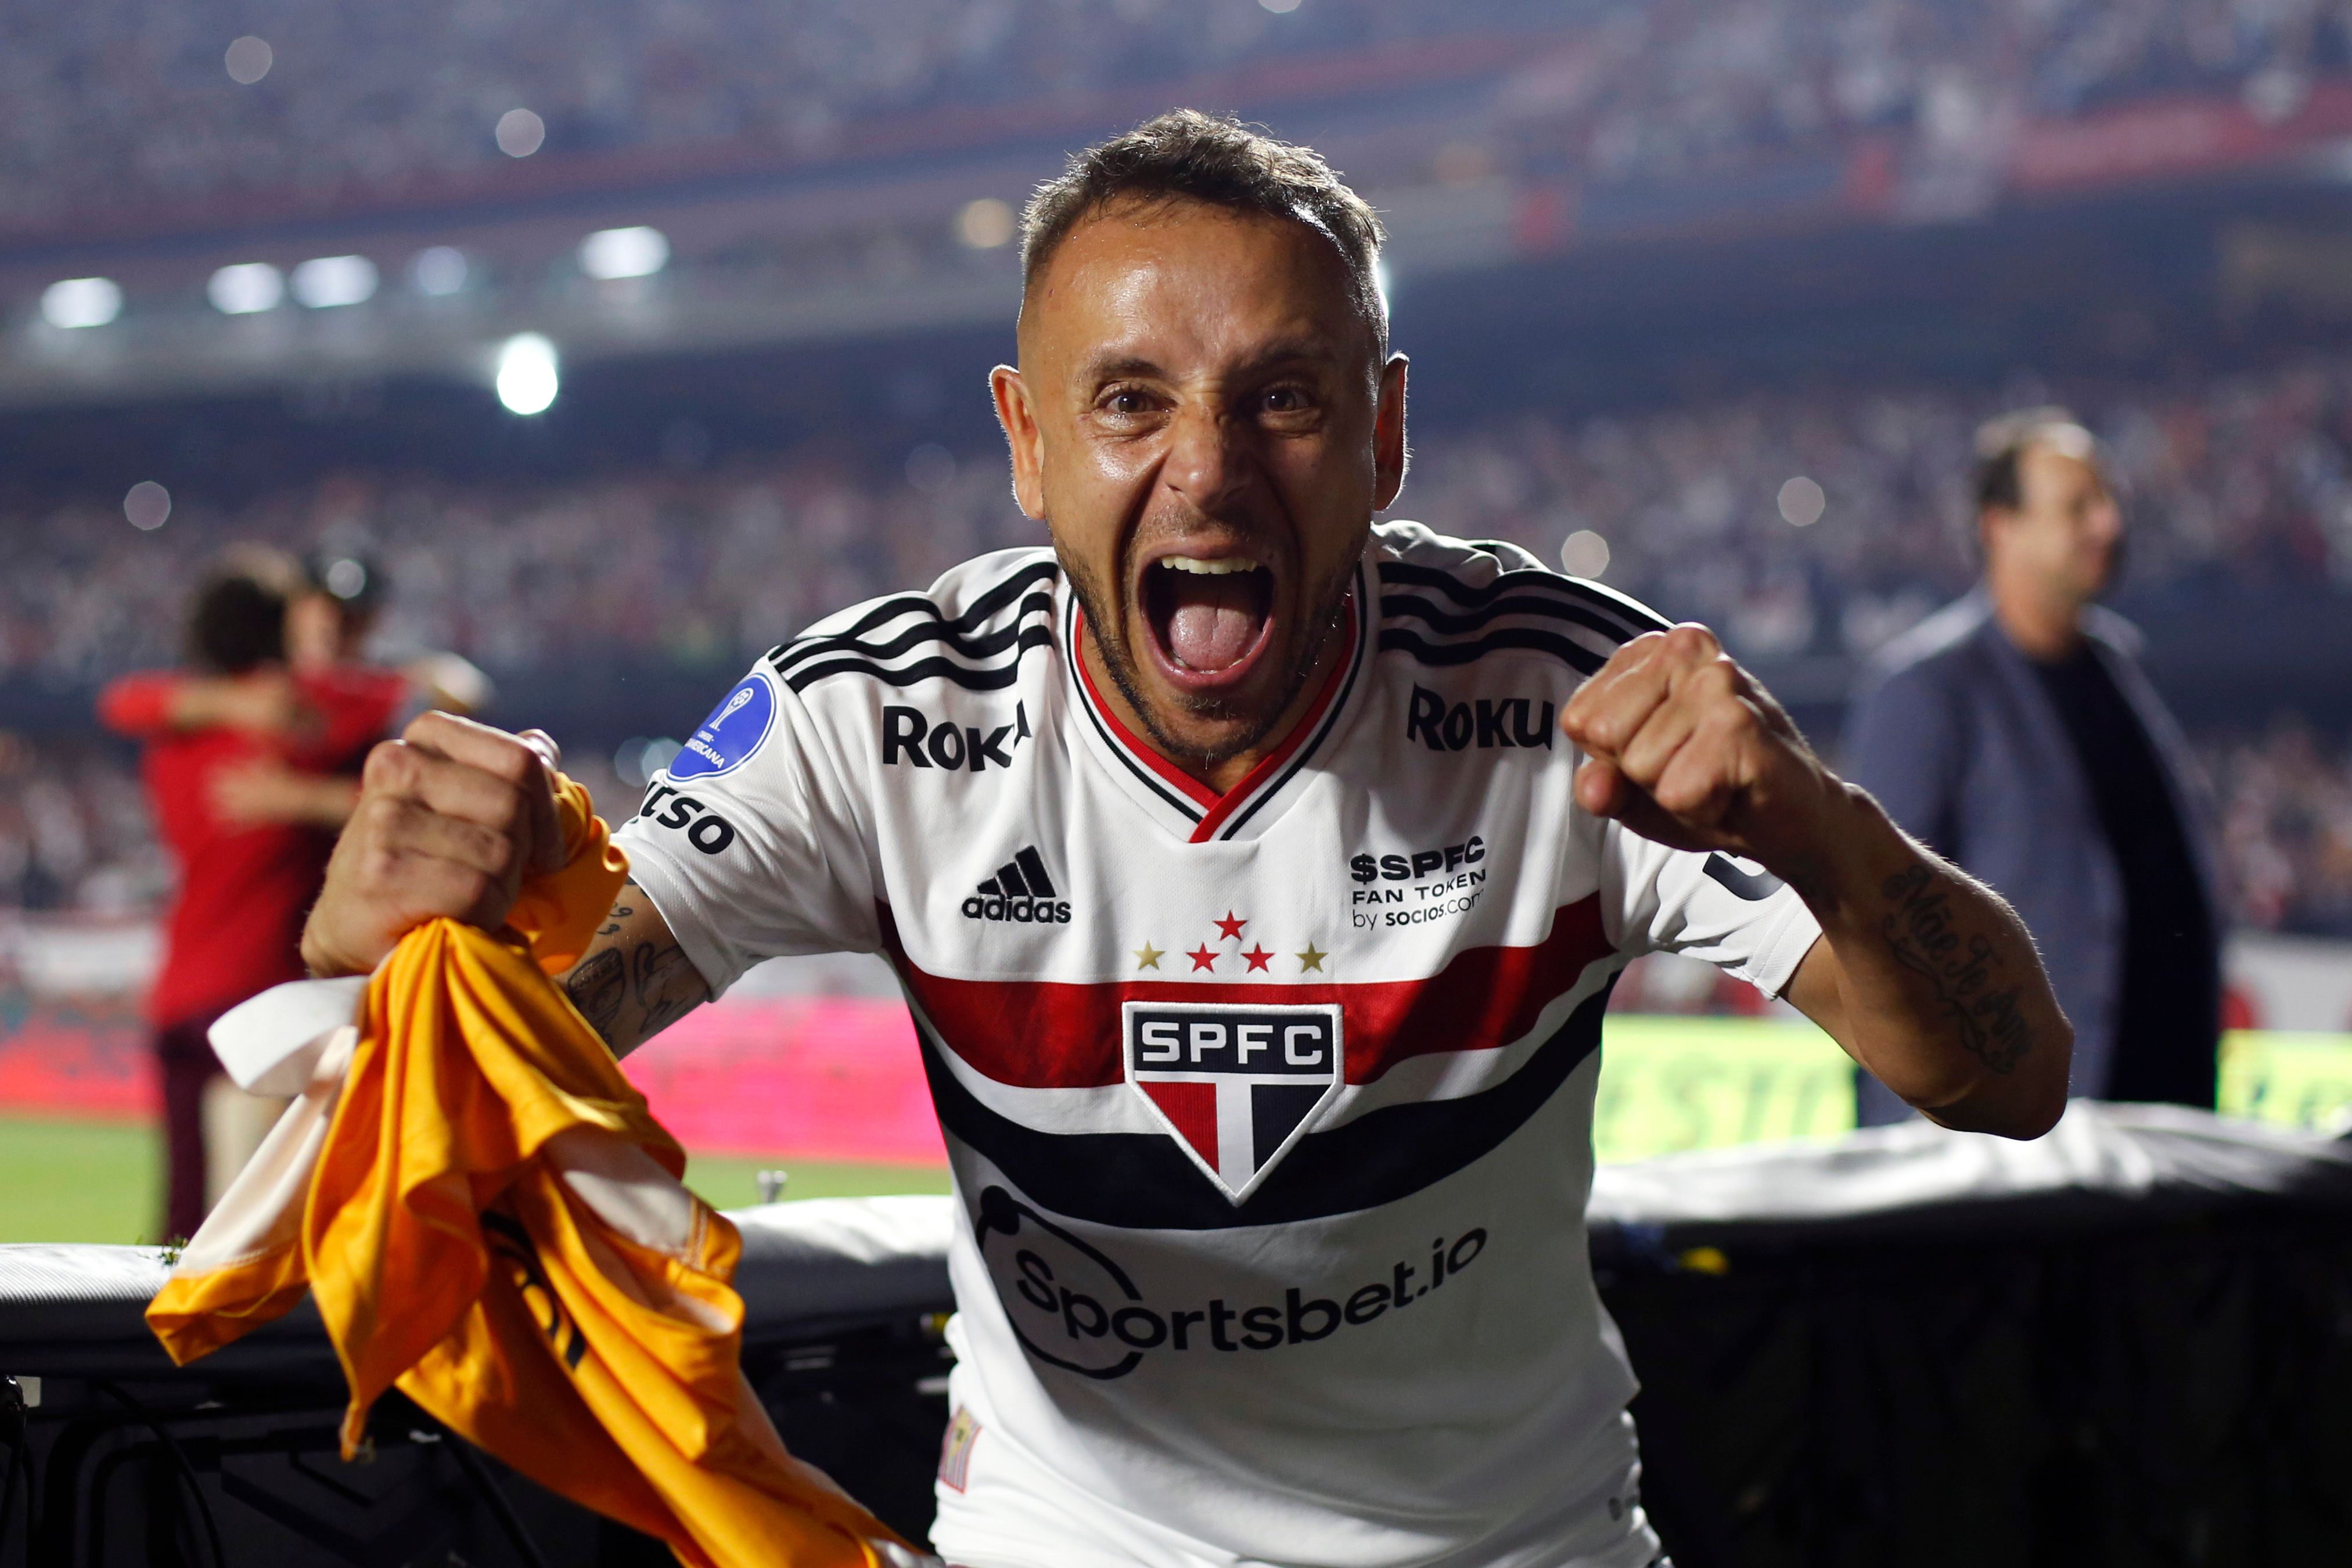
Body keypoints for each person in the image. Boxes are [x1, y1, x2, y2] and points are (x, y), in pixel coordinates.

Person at [301, 112, 2070, 1568]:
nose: (1210, 473)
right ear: (1028, 444)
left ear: (1382, 432)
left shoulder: (1561, 692)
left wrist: (1824, 830)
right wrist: (376, 949)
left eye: (1284, 399)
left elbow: (2008, 1079)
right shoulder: (880, 715)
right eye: (1131, 399)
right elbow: (477, 1058)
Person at [1843, 409, 2224, 1125]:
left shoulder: (2120, 663)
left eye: (2109, 502)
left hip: (2155, 1115)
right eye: (2078, 507)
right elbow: (1877, 937)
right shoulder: (1927, 688)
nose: (2107, 524)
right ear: (2000, 526)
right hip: (2010, 1139)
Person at [98, 553, 407, 1239]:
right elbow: (399, 730)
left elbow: (120, 700)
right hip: (268, 996)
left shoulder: (174, 738)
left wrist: (212, 700)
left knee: (181, 1219)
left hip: (180, 992)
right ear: (285, 631)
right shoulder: (305, 722)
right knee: (263, 1227)